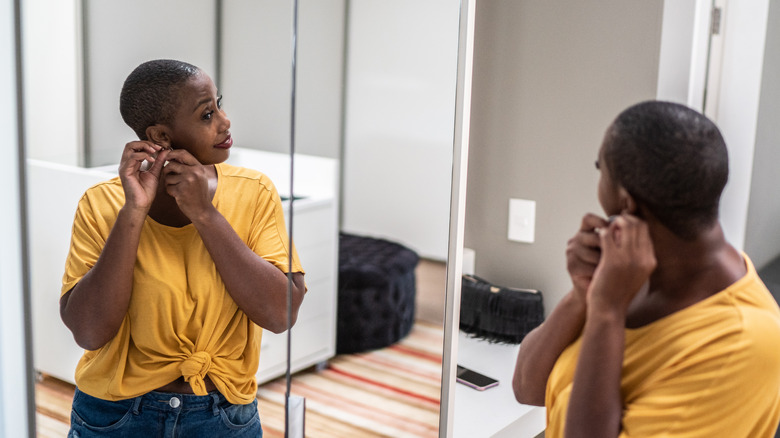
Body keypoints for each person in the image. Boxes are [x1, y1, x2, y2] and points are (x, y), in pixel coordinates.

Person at [59, 59, 305, 436]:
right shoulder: (101, 204)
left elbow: (279, 314)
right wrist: (134, 211)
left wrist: (205, 215)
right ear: (161, 136)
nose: (225, 121)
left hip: (223, 417)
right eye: (207, 114)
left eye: (218, 105)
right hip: (115, 418)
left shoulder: (255, 191)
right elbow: (90, 332)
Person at [513, 101, 780, 438]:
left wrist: (607, 312)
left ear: (626, 203)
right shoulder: (632, 270)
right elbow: (527, 387)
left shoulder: (745, 345)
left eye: (600, 169)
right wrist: (583, 294)